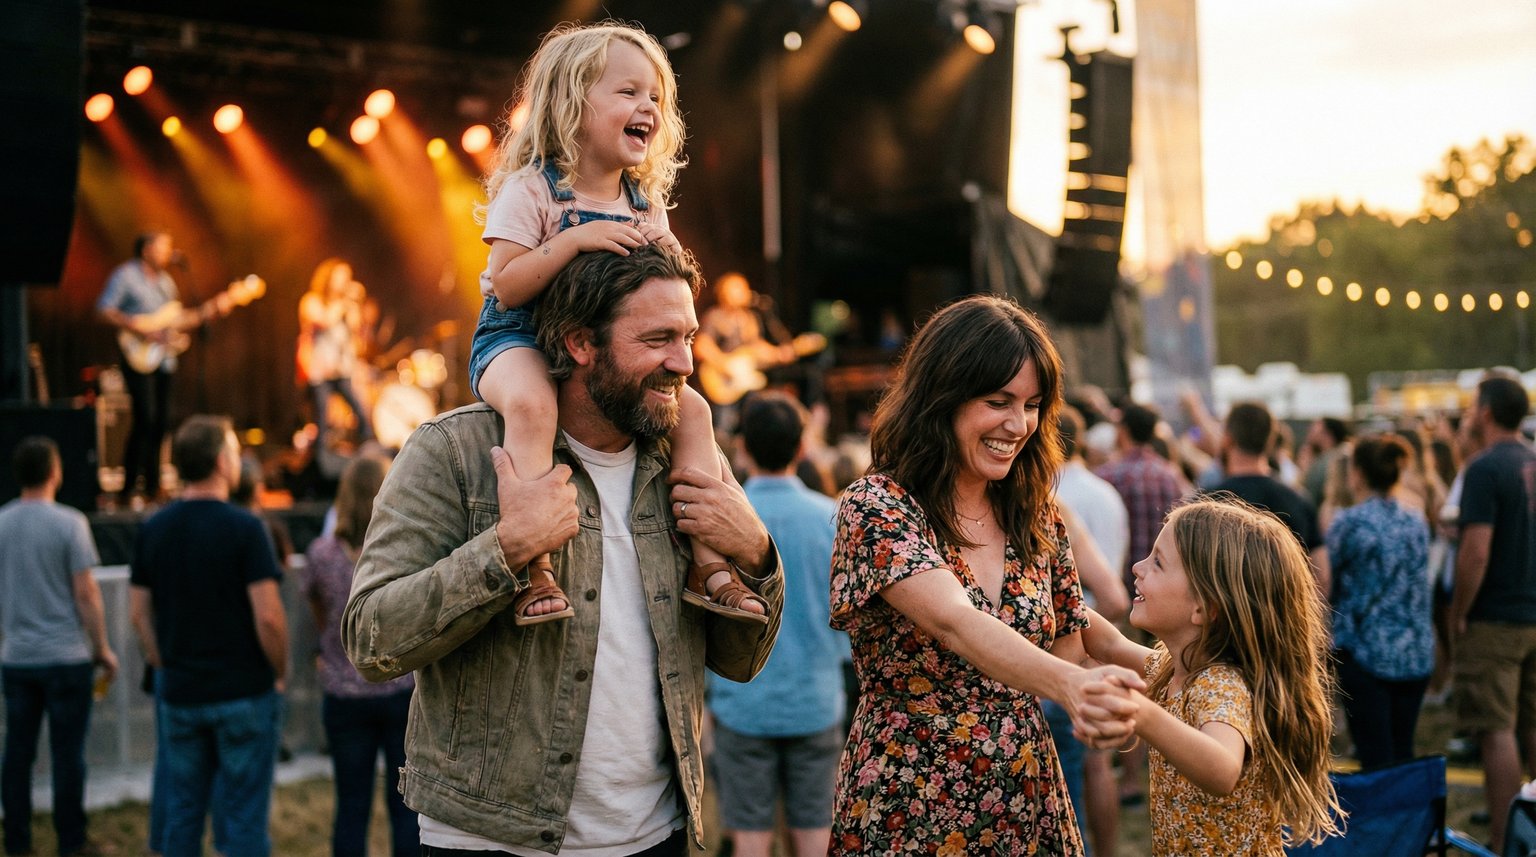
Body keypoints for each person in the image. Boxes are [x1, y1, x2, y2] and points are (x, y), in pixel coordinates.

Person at [343, 244, 783, 856]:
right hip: (491, 839)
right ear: (580, 343)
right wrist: (505, 551)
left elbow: (742, 660)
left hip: (655, 836)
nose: (683, 362)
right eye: (657, 339)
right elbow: (370, 640)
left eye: (688, 337)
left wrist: (758, 554)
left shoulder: (687, 460)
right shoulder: (453, 452)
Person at [467, 22, 760, 629]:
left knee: (698, 413)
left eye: (655, 97)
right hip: (516, 334)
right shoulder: (533, 188)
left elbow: (673, 281)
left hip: (603, 352)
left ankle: (710, 564)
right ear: (572, 106)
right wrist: (575, 241)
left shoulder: (644, 202)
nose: (647, 108)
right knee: (531, 406)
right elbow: (509, 283)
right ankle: (534, 562)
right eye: (628, 93)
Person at [827, 294, 1142, 856]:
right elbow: (956, 620)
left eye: (1033, 404)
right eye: (998, 401)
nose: (1018, 425)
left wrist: (1171, 666)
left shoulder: (1034, 510)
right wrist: (1074, 688)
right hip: (913, 800)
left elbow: (1071, 627)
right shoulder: (878, 505)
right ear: (941, 397)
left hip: (1028, 797)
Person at [1082, 498, 1341, 855]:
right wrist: (1058, 589)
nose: (1138, 567)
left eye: (1157, 562)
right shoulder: (1175, 671)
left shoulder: (1219, 684)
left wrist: (1139, 713)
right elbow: (1109, 645)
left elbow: (1222, 768)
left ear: (1204, 608)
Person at [129, 415, 289, 857]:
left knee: (182, 815)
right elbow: (270, 619)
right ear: (222, 461)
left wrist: (164, 662)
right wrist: (279, 672)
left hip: (180, 693)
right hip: (244, 693)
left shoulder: (152, 529)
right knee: (242, 822)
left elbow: (138, 614)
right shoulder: (246, 529)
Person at [707, 393, 846, 857]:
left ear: (742, 447)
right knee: (814, 833)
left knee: (749, 837)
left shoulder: (722, 519)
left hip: (741, 702)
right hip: (815, 699)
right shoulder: (831, 518)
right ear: (802, 448)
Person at [0, 437, 117, 857]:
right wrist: (101, 647)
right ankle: (71, 842)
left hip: (17, 660)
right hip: (66, 659)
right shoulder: (71, 524)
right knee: (68, 756)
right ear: (55, 472)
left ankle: (17, 842)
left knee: (17, 755)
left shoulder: (2, 523)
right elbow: (86, 593)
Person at [302, 454, 418, 857]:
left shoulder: (321, 554)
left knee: (351, 806)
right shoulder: (404, 551)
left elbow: (319, 613)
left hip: (344, 691)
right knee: (405, 806)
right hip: (399, 688)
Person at [1450, 375, 1536, 853]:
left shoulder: (1484, 469)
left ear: (1485, 412)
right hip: (1532, 608)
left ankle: (1508, 840)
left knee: (1496, 730)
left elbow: (1476, 551)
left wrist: (1460, 611)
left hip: (1496, 618)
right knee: (1532, 723)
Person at [1326, 433, 1433, 769]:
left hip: (1365, 652)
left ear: (1356, 473)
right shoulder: (1415, 521)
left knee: (1375, 754)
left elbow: (1328, 580)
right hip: (1414, 650)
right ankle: (1411, 819)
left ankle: (1387, 820)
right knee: (1403, 749)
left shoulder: (1349, 522)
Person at [1052, 405, 1131, 856]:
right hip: (1079, 666)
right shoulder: (1105, 493)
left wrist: (1071, 631)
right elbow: (1117, 598)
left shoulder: (1043, 501)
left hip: (1059, 675)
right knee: (1095, 774)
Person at [96, 231, 191, 504]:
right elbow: (104, 309)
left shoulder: (166, 282)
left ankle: (153, 485)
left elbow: (173, 319)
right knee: (144, 417)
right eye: (163, 247)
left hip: (164, 358)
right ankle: (127, 487)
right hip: (137, 355)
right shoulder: (125, 275)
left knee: (162, 421)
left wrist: (173, 336)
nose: (168, 252)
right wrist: (137, 327)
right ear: (146, 249)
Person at [1207, 401, 1330, 597]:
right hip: (1285, 617)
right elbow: (1321, 574)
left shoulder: (1207, 503)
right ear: (1270, 441)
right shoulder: (1298, 499)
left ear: (1228, 440)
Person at [296, 258, 374, 454]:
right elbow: (325, 320)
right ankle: (320, 461)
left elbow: (355, 329)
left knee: (361, 413)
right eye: (341, 276)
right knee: (321, 418)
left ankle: (366, 453)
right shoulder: (311, 301)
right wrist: (343, 302)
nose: (345, 281)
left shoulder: (346, 306)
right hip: (319, 372)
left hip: (342, 369)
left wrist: (355, 305)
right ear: (329, 278)